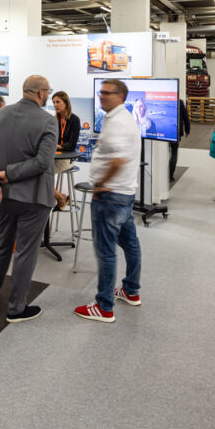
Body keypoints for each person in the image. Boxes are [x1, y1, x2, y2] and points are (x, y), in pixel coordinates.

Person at [0, 75, 57, 323]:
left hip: (3, 195)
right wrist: (9, 175)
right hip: (33, 197)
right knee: (26, 251)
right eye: (48, 91)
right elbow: (43, 162)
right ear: (42, 93)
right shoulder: (48, 121)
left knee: (3, 243)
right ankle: (16, 308)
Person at [74, 79, 142, 323]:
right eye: (101, 92)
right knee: (130, 244)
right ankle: (131, 291)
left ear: (121, 96)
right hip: (124, 194)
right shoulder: (121, 118)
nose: (101, 96)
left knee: (105, 251)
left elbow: (117, 160)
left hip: (111, 196)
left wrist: (101, 184)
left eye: (107, 93)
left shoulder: (117, 123)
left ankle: (104, 306)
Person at [52, 91, 81, 174]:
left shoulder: (75, 120)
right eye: (53, 102)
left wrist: (55, 146)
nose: (55, 105)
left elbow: (71, 145)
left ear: (66, 103)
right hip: (54, 156)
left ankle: (51, 187)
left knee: (45, 170)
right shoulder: (54, 120)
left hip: (67, 158)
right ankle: (52, 187)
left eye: (58, 102)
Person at [169, 98, 191, 183]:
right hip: (175, 131)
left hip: (164, 132)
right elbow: (186, 117)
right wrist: (187, 130)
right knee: (174, 153)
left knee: (165, 153)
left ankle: (163, 173)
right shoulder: (180, 102)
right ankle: (170, 175)